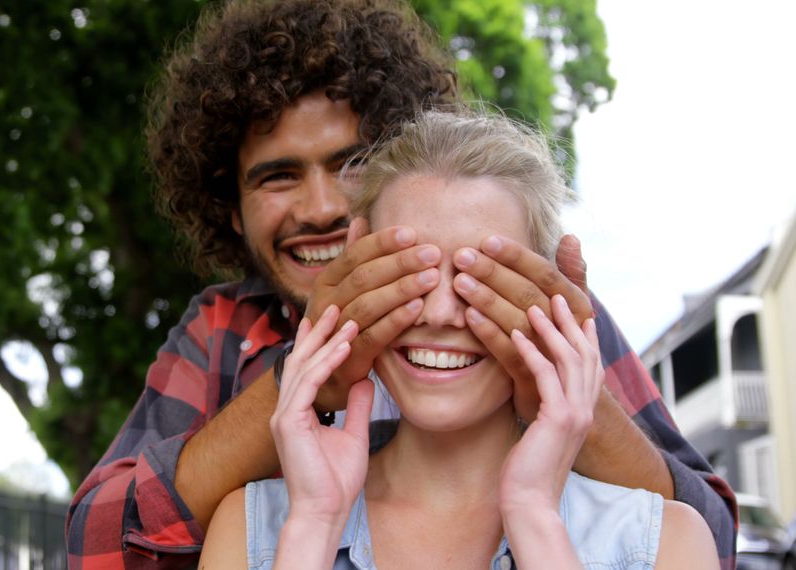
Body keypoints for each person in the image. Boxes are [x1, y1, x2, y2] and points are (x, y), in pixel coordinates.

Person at [65, 1, 737, 568]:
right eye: (278, 176)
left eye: (351, 163)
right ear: (229, 207)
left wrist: (565, 403)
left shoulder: (545, 309)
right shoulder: (223, 331)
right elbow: (96, 544)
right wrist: (306, 376)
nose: (322, 206)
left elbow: (702, 528)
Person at [199, 109, 720, 569]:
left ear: (546, 296)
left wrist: (534, 514)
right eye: (410, 276)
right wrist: (313, 524)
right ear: (358, 278)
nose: (442, 312)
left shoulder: (667, 541)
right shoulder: (248, 530)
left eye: (482, 280)